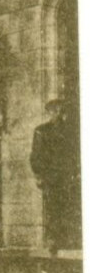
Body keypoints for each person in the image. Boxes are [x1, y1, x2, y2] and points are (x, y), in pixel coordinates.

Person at [31, 98, 82, 254]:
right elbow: (35, 157)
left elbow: (77, 153)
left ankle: (71, 239)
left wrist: (78, 172)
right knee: (53, 209)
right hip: (51, 178)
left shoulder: (72, 132)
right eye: (54, 111)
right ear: (48, 112)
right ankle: (54, 240)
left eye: (60, 111)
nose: (57, 114)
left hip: (69, 176)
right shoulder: (41, 131)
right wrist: (40, 175)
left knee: (70, 207)